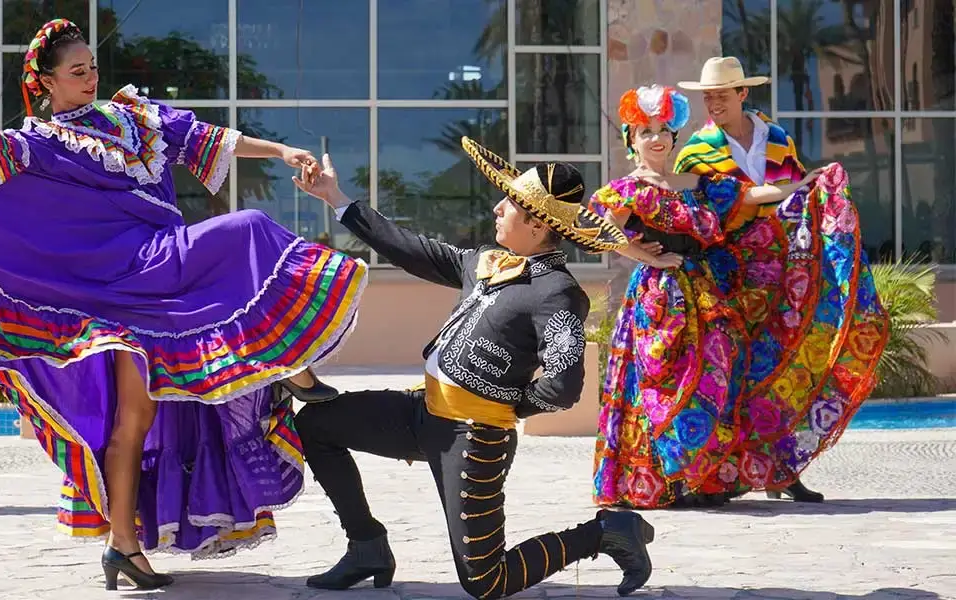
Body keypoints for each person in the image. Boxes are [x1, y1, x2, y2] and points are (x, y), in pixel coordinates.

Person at [0, 19, 366, 590]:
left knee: (242, 241)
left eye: (92, 68)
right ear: (47, 83)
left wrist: (283, 150)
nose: (90, 78)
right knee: (135, 413)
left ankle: (290, 365)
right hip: (117, 285)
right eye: (77, 71)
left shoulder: (134, 116)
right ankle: (124, 548)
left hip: (165, 270)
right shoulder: (45, 140)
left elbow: (209, 139)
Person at [291, 140, 656, 599]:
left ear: (538, 224)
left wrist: (502, 405)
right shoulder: (483, 263)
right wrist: (336, 199)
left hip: (476, 439)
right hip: (420, 415)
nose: (497, 208)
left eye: (510, 204)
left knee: (486, 582)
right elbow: (409, 248)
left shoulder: (557, 293)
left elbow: (564, 387)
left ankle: (605, 532)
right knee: (316, 424)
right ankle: (367, 546)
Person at [589, 84, 889, 510]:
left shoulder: (696, 182)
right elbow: (598, 233)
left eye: (662, 130)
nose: (655, 139)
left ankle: (704, 477)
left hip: (705, 291)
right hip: (658, 300)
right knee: (664, 385)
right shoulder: (627, 189)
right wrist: (646, 258)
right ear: (631, 140)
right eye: (644, 131)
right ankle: (667, 479)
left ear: (674, 135)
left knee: (718, 373)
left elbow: (750, 195)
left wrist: (801, 185)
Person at [671, 56, 877, 503]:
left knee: (786, 374)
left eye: (722, 95)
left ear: (743, 93)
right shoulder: (696, 151)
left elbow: (798, 199)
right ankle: (719, 475)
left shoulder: (779, 140)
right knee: (735, 378)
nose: (714, 104)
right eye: (708, 97)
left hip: (785, 276)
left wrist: (816, 188)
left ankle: (782, 472)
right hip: (729, 278)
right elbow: (699, 217)